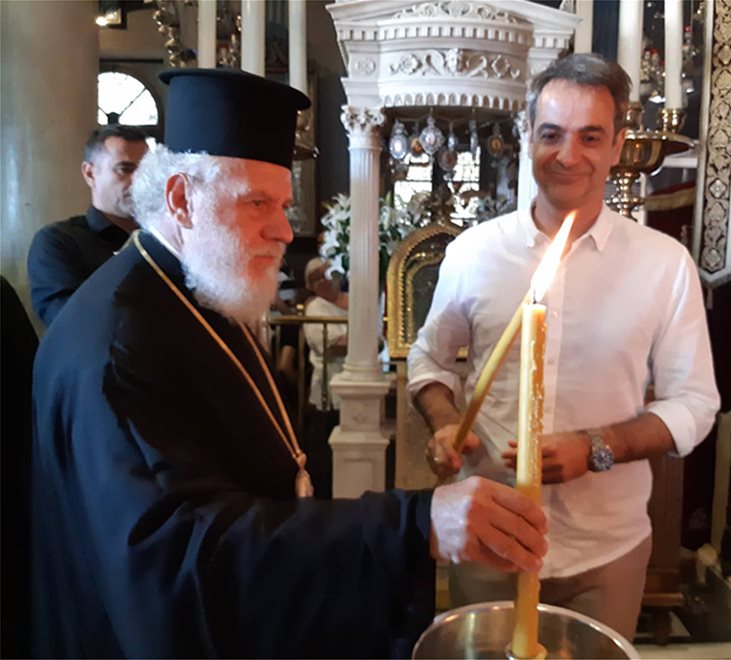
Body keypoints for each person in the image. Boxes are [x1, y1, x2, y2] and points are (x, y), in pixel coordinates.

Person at [30, 68, 547, 658]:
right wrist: (412, 524)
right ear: (180, 198)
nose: (282, 231)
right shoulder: (119, 345)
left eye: (282, 204)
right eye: (257, 203)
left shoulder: (195, 291)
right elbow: (180, 563)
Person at [407, 53, 720, 641]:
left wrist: (597, 446)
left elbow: (695, 404)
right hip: (490, 535)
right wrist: (446, 421)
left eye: (590, 137)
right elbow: (429, 359)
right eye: (551, 134)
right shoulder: (475, 253)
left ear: (618, 144)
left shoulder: (663, 264)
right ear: (528, 135)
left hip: (605, 549)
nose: (568, 155)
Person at [27, 124, 149, 326]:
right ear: (90, 173)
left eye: (145, 170)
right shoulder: (58, 242)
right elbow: (70, 325)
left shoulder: (161, 238)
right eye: (125, 169)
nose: (139, 181)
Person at [302, 257, 349, 411]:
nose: (323, 281)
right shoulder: (315, 308)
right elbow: (333, 346)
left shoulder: (357, 300)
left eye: (327, 274)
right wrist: (366, 342)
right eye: (317, 279)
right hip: (330, 383)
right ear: (310, 286)